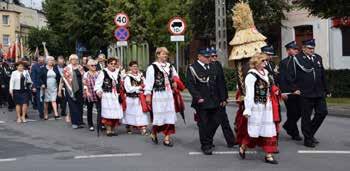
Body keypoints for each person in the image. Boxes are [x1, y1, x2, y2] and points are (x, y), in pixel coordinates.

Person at [238, 53, 279, 164]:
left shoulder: (266, 73)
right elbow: (250, 94)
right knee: (254, 131)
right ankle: (243, 146)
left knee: (268, 130)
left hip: (267, 106)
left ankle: (268, 155)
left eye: (266, 60)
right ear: (256, 62)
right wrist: (248, 109)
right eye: (263, 61)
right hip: (256, 106)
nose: (266, 62)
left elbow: (269, 88)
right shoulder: (251, 75)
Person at [187, 48, 228, 155]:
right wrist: (198, 97)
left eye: (210, 56)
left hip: (215, 100)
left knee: (216, 121)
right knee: (203, 124)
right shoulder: (193, 68)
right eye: (206, 57)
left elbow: (220, 83)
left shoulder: (213, 65)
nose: (209, 58)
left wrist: (223, 98)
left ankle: (208, 139)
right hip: (202, 101)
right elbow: (191, 85)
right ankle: (205, 145)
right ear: (199, 56)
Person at [294, 39, 329, 148]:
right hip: (305, 92)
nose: (312, 50)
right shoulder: (297, 58)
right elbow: (292, 75)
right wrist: (294, 88)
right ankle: (308, 139)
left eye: (313, 48)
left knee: (322, 112)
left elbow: (322, 74)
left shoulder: (318, 58)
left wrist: (327, 89)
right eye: (309, 48)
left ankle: (310, 133)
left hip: (319, 92)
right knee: (306, 117)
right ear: (303, 48)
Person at [144, 47, 178, 147]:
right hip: (158, 94)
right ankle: (154, 133)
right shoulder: (152, 67)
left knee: (169, 115)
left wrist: (175, 81)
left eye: (166, 54)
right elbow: (149, 82)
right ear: (158, 55)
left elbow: (176, 76)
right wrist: (148, 95)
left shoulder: (170, 66)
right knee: (159, 115)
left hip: (168, 93)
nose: (165, 56)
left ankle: (167, 138)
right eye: (163, 54)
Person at [208, 47, 236, 148]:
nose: (214, 57)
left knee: (224, 120)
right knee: (215, 122)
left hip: (220, 98)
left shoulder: (217, 65)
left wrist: (225, 98)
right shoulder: (207, 67)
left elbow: (222, 83)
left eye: (215, 56)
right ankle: (208, 140)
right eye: (212, 56)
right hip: (213, 99)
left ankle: (231, 141)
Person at [279, 41, 302, 141]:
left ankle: (288, 125)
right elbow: (283, 78)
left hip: (300, 91)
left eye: (297, 49)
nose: (296, 50)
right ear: (288, 51)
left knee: (300, 111)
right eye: (294, 49)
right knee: (292, 112)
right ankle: (294, 133)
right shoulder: (284, 62)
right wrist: (284, 92)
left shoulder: (301, 60)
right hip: (289, 92)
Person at [94, 57, 124, 136]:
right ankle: (108, 130)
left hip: (116, 95)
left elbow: (121, 83)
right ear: (108, 64)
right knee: (108, 113)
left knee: (115, 113)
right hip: (107, 96)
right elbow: (98, 84)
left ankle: (113, 129)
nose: (113, 65)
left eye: (114, 64)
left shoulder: (118, 73)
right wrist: (99, 91)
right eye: (111, 64)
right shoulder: (103, 72)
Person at [123, 61, 149, 135]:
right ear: (130, 67)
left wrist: (145, 89)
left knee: (141, 113)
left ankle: (143, 128)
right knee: (130, 113)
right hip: (131, 98)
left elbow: (146, 84)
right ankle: (129, 126)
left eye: (136, 66)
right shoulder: (128, 77)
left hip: (140, 98)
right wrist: (139, 87)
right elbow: (128, 89)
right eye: (133, 66)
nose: (135, 68)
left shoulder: (141, 76)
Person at [60, 54, 85, 129]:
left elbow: (83, 77)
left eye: (76, 59)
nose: (75, 61)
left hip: (80, 88)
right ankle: (74, 122)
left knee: (80, 105)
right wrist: (59, 90)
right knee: (73, 106)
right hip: (70, 89)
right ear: (70, 60)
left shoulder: (80, 67)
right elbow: (63, 80)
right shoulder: (66, 68)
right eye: (73, 59)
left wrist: (85, 88)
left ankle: (80, 122)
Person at [83, 59, 101, 131]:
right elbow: (84, 84)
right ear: (88, 66)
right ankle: (90, 124)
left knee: (99, 109)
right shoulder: (86, 74)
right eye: (92, 65)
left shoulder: (99, 73)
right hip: (90, 93)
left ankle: (100, 124)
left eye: (95, 65)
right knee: (89, 109)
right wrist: (86, 92)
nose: (94, 66)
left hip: (97, 93)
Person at [55, 56, 68, 121]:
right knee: (56, 99)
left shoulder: (66, 67)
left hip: (65, 85)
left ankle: (63, 111)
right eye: (59, 62)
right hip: (56, 84)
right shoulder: (54, 68)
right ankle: (56, 111)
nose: (61, 63)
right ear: (57, 62)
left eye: (62, 62)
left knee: (64, 99)